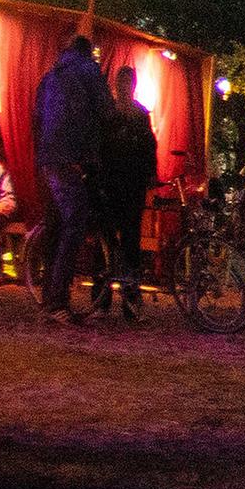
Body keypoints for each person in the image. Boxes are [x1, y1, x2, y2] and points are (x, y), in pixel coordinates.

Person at [33, 36, 114, 324]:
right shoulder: (90, 71)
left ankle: (47, 298)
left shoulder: (50, 76)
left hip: (48, 158)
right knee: (76, 222)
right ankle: (58, 302)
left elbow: (36, 117)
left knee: (55, 225)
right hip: (74, 157)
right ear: (88, 53)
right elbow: (108, 111)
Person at [97, 65, 157, 319]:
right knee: (107, 244)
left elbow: (149, 149)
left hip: (128, 185)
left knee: (129, 245)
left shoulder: (137, 114)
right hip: (113, 184)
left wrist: (150, 176)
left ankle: (128, 303)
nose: (124, 87)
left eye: (127, 83)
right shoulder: (112, 113)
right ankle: (102, 301)